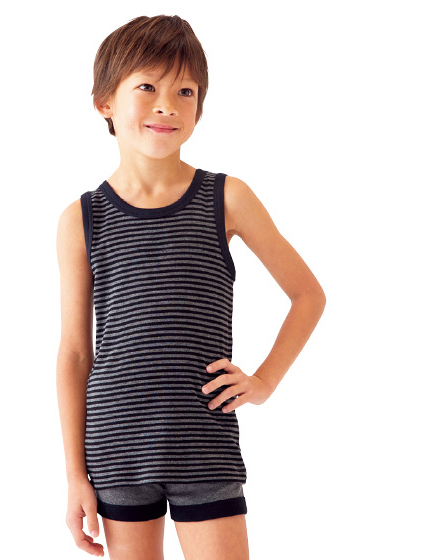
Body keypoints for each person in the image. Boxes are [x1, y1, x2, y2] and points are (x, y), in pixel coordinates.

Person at [56, 14, 326, 560]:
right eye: (147, 88)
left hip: (204, 442)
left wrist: (264, 381)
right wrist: (75, 476)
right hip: (117, 449)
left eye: (185, 92)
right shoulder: (81, 220)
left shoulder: (227, 198)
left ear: (200, 107)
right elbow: (76, 354)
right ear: (105, 102)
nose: (167, 106)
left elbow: (308, 294)